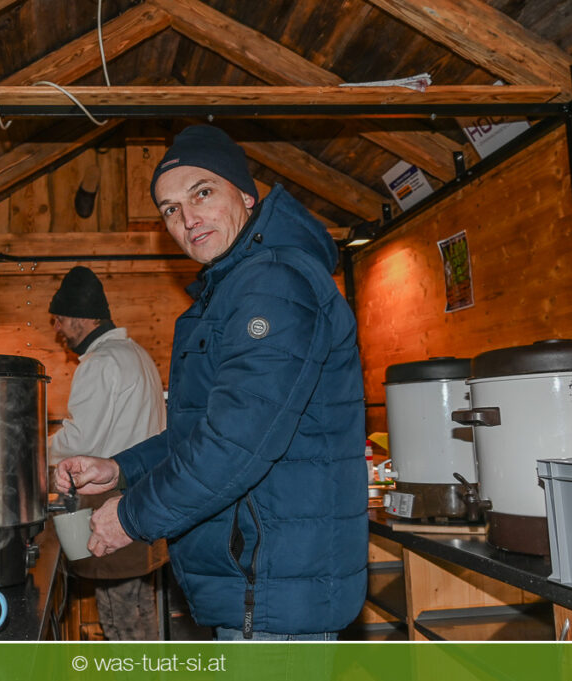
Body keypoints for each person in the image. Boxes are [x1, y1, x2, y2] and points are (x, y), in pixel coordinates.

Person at [56, 125, 368, 641]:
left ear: (245, 195)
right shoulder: (232, 289)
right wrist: (121, 468)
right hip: (258, 581)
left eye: (202, 193)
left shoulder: (273, 284)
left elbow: (234, 445)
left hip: (274, 590)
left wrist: (130, 517)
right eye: (170, 209)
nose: (187, 218)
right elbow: (203, 430)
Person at [48, 266, 169, 641]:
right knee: (140, 614)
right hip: (147, 502)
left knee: (121, 624)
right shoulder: (136, 353)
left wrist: (31, 450)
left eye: (60, 319)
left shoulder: (100, 362)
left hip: (115, 506)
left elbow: (81, 443)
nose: (57, 329)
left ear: (81, 318)